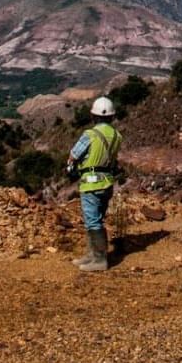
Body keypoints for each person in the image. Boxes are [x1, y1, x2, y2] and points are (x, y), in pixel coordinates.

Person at [66, 97, 122, 273]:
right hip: (107, 183)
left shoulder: (89, 135)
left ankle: (99, 259)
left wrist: (70, 167)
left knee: (92, 221)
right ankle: (92, 255)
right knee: (97, 219)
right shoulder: (117, 136)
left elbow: (74, 155)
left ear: (93, 116)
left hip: (90, 183)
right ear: (112, 117)